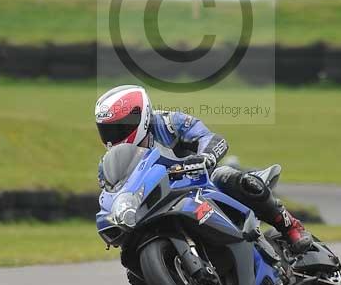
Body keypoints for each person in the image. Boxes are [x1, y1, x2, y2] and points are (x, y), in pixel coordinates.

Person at [95, 84, 312, 254]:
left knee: (227, 175)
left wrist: (206, 156)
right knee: (134, 269)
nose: (113, 137)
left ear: (140, 116)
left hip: (201, 185)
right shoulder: (110, 164)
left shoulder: (169, 122)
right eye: (107, 131)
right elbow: (111, 195)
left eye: (119, 128)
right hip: (159, 204)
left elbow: (212, 139)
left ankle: (291, 227)